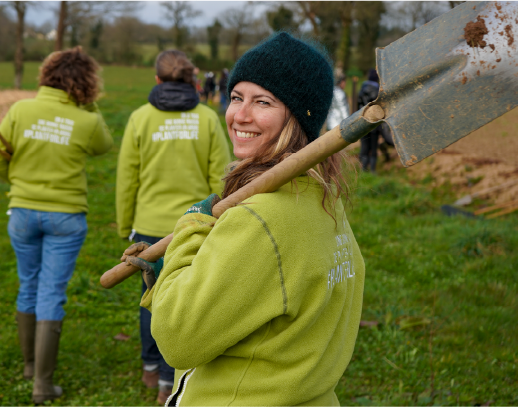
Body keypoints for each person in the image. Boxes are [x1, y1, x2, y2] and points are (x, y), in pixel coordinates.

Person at [127, 32, 365, 406]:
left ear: (299, 114)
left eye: (263, 101)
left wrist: (191, 226)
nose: (240, 115)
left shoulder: (259, 219)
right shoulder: (323, 200)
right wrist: (188, 273)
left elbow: (176, 340)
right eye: (236, 97)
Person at [0, 46, 113, 404]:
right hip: (66, 217)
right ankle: (42, 383)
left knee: (28, 284)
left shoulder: (21, 110)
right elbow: (103, 145)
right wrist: (89, 105)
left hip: (23, 212)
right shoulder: (86, 120)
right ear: (87, 83)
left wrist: (17, 179)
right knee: (51, 292)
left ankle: (30, 365)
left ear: (46, 75)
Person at [115, 49, 231, 404]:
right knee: (186, 301)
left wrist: (125, 224)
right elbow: (221, 176)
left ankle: (151, 368)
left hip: (149, 228)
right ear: (193, 81)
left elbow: (127, 177)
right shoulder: (208, 118)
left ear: (157, 80)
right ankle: (170, 377)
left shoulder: (140, 118)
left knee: (150, 299)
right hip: (194, 227)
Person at [357, 69, 381, 172]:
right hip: (374, 125)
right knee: (374, 147)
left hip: (363, 123)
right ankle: (372, 170)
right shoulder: (378, 92)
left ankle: (363, 169)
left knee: (364, 147)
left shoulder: (361, 90)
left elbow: (358, 107)